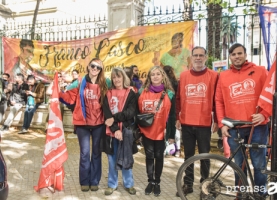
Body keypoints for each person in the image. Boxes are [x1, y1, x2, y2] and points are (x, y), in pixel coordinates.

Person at [215, 43, 269, 197]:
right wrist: (222, 124)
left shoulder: (260, 71)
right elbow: (218, 101)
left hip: (257, 126)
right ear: (230, 57)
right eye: (233, 54)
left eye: (240, 53)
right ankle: (242, 195)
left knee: (259, 165)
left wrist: (265, 114)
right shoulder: (223, 75)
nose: (237, 56)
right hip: (234, 127)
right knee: (238, 165)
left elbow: (270, 95)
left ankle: (260, 195)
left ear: (245, 54)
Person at [59, 58, 108, 192]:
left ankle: (94, 181)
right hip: (82, 123)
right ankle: (84, 180)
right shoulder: (80, 82)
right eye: (93, 66)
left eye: (98, 67)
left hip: (99, 123)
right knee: (85, 153)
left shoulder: (105, 83)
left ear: (101, 70)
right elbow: (69, 97)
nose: (95, 69)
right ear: (88, 66)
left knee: (96, 153)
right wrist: (56, 91)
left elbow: (117, 89)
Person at [175, 46, 218, 197]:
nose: (198, 58)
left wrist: (217, 120)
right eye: (195, 56)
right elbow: (178, 99)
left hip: (204, 123)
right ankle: (188, 185)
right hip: (186, 122)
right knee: (188, 156)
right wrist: (177, 118)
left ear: (206, 57)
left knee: (205, 157)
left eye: (201, 55)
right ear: (191, 58)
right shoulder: (184, 76)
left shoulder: (214, 76)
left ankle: (205, 186)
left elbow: (216, 100)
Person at [138, 66, 174, 196]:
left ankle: (157, 182)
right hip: (146, 131)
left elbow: (172, 116)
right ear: (149, 77)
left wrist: (171, 135)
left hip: (161, 132)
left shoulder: (169, 93)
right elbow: (137, 112)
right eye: (152, 74)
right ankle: (151, 181)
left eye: (158, 74)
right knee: (149, 157)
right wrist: (138, 131)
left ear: (163, 76)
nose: (155, 76)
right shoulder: (142, 92)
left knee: (159, 157)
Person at [103, 67, 137, 196]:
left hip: (126, 131)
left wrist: (115, 119)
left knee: (126, 157)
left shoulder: (131, 93)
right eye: (114, 77)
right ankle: (112, 184)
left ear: (123, 77)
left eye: (119, 76)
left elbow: (130, 113)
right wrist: (116, 129)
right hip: (111, 132)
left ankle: (128, 184)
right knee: (112, 158)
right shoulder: (108, 93)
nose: (117, 79)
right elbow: (106, 114)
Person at [163, 65, 181, 157]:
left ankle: (167, 148)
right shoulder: (176, 82)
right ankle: (177, 149)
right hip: (173, 108)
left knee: (166, 128)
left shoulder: (164, 83)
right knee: (175, 128)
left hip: (166, 108)